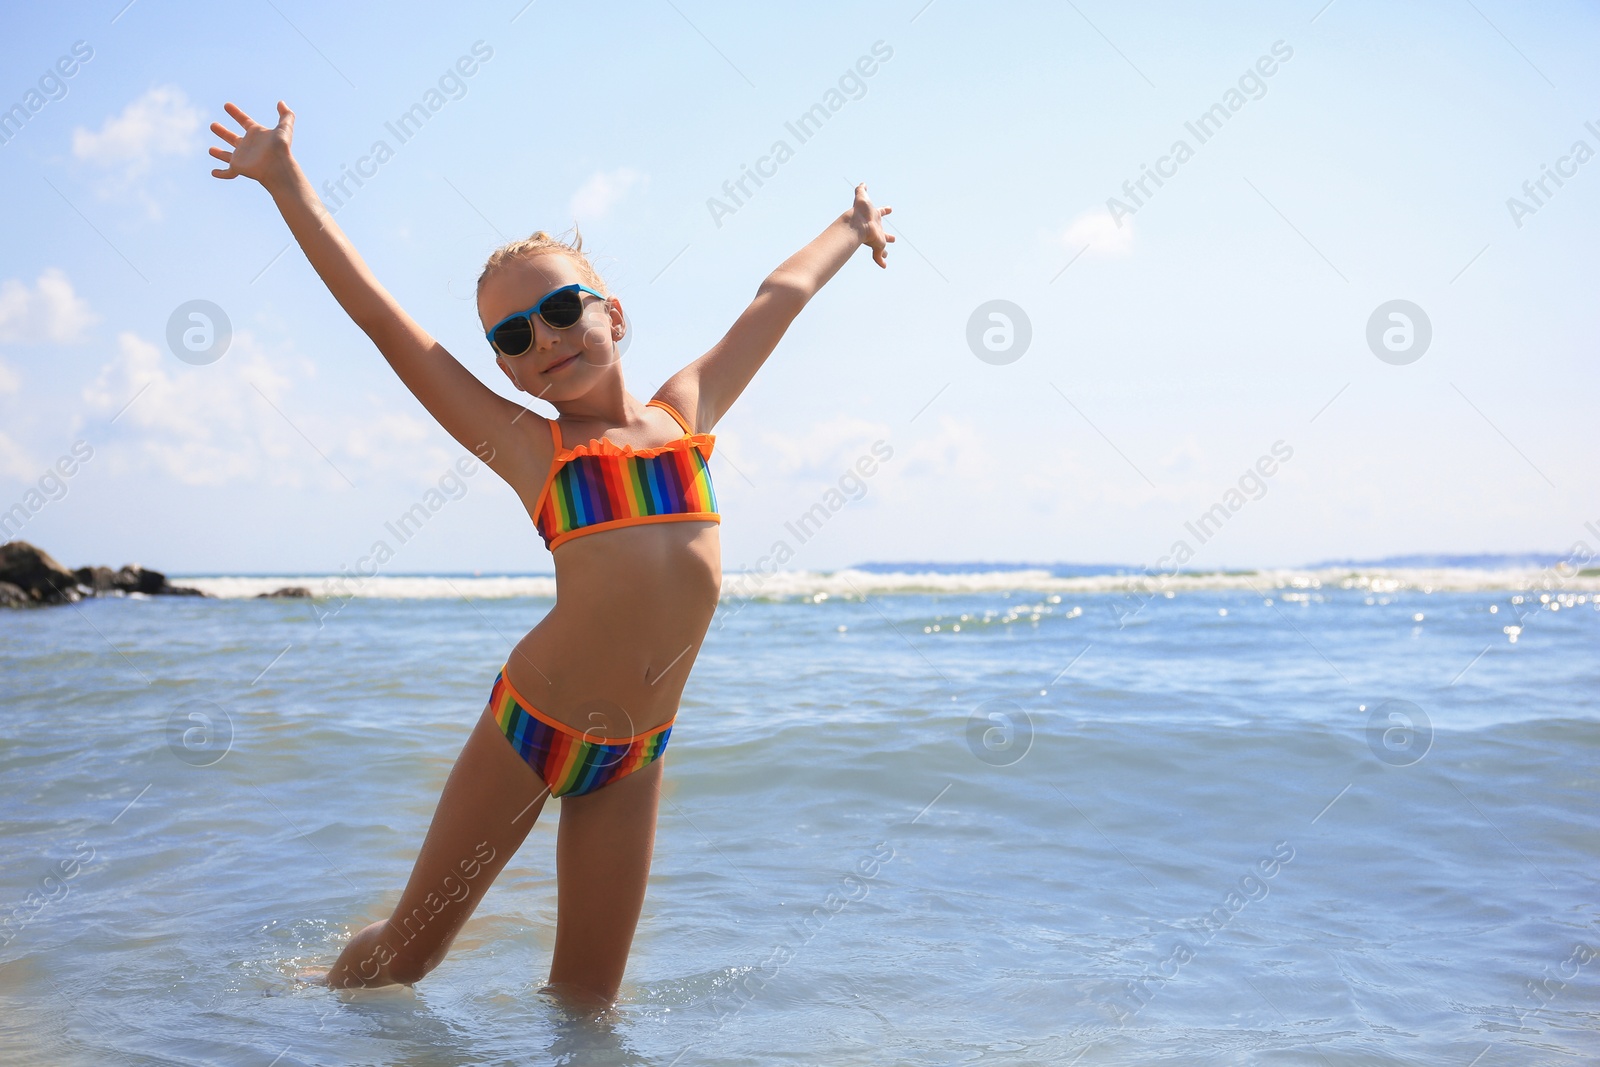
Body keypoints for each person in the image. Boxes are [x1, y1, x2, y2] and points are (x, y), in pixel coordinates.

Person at [208, 100, 893, 1007]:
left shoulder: (686, 413)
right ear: (504, 369)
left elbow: (778, 297)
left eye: (562, 308)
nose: (546, 338)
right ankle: (305, 1003)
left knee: (586, 1002)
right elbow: (383, 322)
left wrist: (848, 230)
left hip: (634, 753)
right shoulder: (533, 450)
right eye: (513, 336)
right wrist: (289, 185)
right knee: (407, 959)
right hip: (527, 730)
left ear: (613, 313)